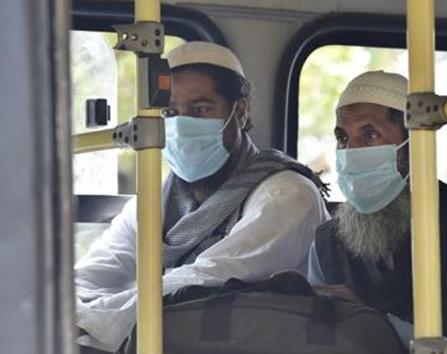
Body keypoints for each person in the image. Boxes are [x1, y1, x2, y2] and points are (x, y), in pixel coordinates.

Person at [74, 42, 329, 352]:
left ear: (241, 109)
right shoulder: (160, 199)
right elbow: (103, 267)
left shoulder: (286, 194)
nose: (182, 124)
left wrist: (89, 322)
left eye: (200, 109)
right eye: (170, 112)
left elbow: (207, 277)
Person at [307, 71, 447, 346]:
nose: (350, 151)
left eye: (369, 134)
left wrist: (375, 322)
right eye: (342, 138)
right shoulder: (326, 244)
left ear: (414, 144)